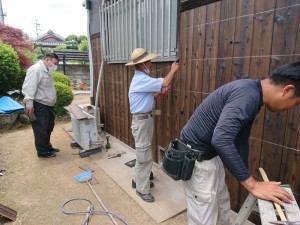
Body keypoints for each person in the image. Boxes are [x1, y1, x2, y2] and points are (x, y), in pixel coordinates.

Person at [180, 62, 300, 225]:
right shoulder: (248, 95)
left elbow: (240, 140)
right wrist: (252, 185)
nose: (292, 108)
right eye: (297, 103)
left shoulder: (254, 93)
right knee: (204, 219)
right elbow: (221, 139)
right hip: (198, 160)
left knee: (221, 208)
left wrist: (247, 176)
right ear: (288, 90)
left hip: (211, 157)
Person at [126, 48, 180, 202]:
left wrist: (159, 93)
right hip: (142, 121)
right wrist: (173, 70)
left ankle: (138, 180)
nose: (151, 64)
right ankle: (141, 189)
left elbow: (150, 97)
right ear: (142, 64)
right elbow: (164, 82)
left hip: (144, 120)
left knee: (142, 151)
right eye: (149, 62)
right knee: (144, 155)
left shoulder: (141, 79)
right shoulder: (141, 79)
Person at [22, 53, 60, 158]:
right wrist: (29, 104)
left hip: (48, 105)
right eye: (54, 63)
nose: (55, 66)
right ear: (47, 59)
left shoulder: (46, 71)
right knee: (41, 129)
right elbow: (29, 88)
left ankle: (47, 146)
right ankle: (42, 151)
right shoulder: (36, 70)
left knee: (48, 127)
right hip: (39, 105)